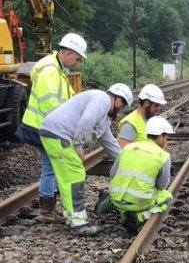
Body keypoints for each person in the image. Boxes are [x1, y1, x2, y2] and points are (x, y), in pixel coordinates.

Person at [38, 84, 131, 236]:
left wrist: (126, 161)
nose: (120, 108)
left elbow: (110, 143)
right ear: (118, 99)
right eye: (122, 104)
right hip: (59, 134)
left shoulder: (102, 116)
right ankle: (79, 223)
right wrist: (78, 145)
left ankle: (71, 216)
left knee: (66, 178)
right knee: (76, 175)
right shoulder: (103, 99)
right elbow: (87, 119)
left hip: (51, 131)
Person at [15, 33, 87, 222]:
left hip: (47, 125)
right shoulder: (49, 71)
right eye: (77, 58)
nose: (77, 62)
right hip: (42, 126)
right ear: (69, 53)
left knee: (53, 164)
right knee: (51, 166)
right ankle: (46, 211)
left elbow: (69, 97)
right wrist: (66, 128)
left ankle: (49, 208)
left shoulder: (57, 68)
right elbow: (50, 105)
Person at [101, 115, 175, 234]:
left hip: (116, 197)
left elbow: (112, 174)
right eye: (167, 137)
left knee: (122, 191)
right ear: (161, 136)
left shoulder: (129, 147)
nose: (167, 141)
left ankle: (110, 202)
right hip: (139, 202)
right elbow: (161, 186)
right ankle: (140, 217)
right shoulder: (163, 156)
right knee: (167, 197)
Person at [117, 84, 167, 148]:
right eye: (156, 106)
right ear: (147, 103)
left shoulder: (149, 119)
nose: (157, 109)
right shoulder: (130, 124)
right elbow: (122, 154)